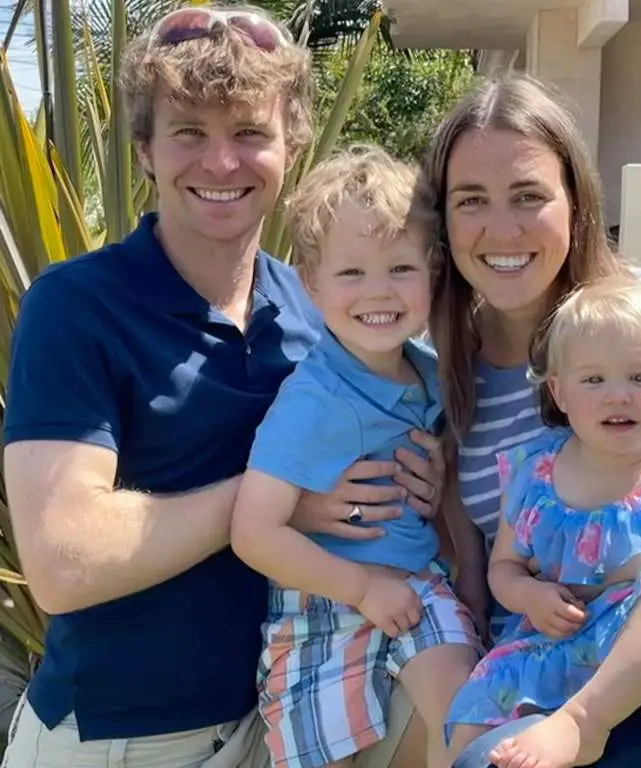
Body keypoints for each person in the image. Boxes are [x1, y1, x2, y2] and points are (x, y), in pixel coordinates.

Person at [1, 6, 444, 767]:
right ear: (144, 150)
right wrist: (278, 500)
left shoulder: (322, 308)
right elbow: (64, 563)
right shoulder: (77, 306)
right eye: (189, 133)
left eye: (249, 133)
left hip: (289, 718)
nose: (221, 162)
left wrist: (421, 482)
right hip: (122, 738)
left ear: (291, 146)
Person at [423, 74, 641, 767]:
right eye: (472, 202)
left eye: (529, 196)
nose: (502, 227)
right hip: (545, 675)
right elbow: (483, 569)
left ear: (576, 204)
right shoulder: (442, 370)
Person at [443, 276, 641, 768]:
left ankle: (584, 724)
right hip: (563, 648)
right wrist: (530, 594)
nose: (618, 396)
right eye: (593, 380)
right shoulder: (535, 475)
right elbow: (504, 567)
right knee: (468, 730)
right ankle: (560, 722)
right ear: (560, 391)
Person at [230, 147, 481, 768]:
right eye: (351, 274)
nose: (379, 292)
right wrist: (360, 586)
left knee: (469, 716)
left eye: (400, 268)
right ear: (310, 285)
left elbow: (444, 476)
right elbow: (252, 532)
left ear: (432, 273)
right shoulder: (311, 399)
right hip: (321, 603)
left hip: (418, 585)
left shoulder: (431, 373)